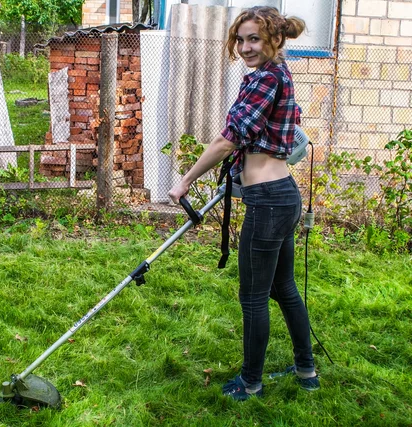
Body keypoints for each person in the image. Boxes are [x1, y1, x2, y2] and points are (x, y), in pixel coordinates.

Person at [168, 6, 319, 401]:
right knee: (283, 287)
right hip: (282, 197)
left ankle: (250, 381)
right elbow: (268, 136)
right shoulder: (278, 75)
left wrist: (185, 180)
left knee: (254, 296)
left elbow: (227, 139)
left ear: (274, 40)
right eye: (241, 39)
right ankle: (306, 369)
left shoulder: (264, 80)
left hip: (269, 202)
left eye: (254, 38)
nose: (246, 46)